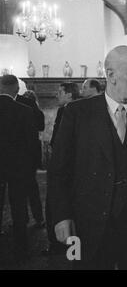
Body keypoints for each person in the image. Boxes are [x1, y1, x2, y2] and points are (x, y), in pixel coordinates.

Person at [48, 45, 127, 269]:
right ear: (111, 75)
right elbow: (59, 170)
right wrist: (61, 215)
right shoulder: (76, 113)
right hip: (88, 221)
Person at [0, 75, 35, 262]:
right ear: (16, 90)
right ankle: (21, 249)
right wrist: (31, 167)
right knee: (19, 207)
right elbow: (31, 143)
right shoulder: (25, 111)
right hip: (18, 166)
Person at [43, 82, 80, 256]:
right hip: (64, 166)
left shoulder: (69, 111)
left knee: (57, 203)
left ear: (70, 95)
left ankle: (60, 246)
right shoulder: (64, 110)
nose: (56, 95)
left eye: (60, 92)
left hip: (65, 167)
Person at [15, 86, 45, 229]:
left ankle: (22, 219)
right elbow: (41, 127)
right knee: (31, 187)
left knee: (17, 190)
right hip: (30, 152)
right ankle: (38, 217)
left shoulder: (16, 107)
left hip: (17, 153)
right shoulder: (35, 110)